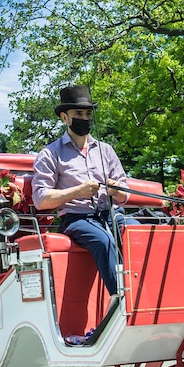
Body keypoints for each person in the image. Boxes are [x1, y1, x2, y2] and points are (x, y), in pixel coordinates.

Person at [31, 84, 132, 297]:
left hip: (111, 215)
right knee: (104, 240)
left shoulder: (106, 150)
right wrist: (77, 191)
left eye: (88, 113)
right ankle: (122, 299)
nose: (85, 118)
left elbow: (125, 195)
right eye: (78, 113)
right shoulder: (50, 154)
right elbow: (41, 199)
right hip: (76, 219)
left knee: (137, 231)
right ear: (64, 117)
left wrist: (116, 190)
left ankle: (148, 295)